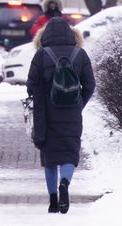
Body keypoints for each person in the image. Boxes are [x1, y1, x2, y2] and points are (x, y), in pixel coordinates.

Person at [26, 13, 95, 214]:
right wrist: (79, 103)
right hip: (72, 112)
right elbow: (90, 83)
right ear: (71, 35)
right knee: (69, 152)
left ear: (44, 36)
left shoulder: (41, 55)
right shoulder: (79, 54)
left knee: (50, 157)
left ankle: (53, 200)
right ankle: (64, 183)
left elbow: (31, 85)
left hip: (46, 114)